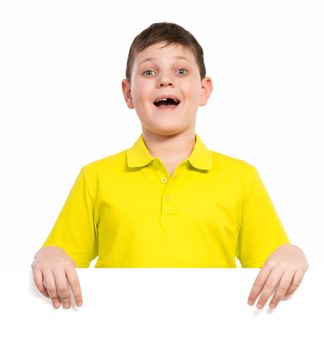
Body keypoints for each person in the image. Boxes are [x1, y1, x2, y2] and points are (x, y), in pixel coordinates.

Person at [31, 22, 308, 311]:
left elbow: (272, 270)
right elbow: (61, 263)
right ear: (128, 93)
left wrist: (293, 255)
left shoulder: (242, 178)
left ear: (203, 90)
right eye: (149, 72)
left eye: (181, 71)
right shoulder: (95, 177)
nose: (165, 81)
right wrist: (48, 255)